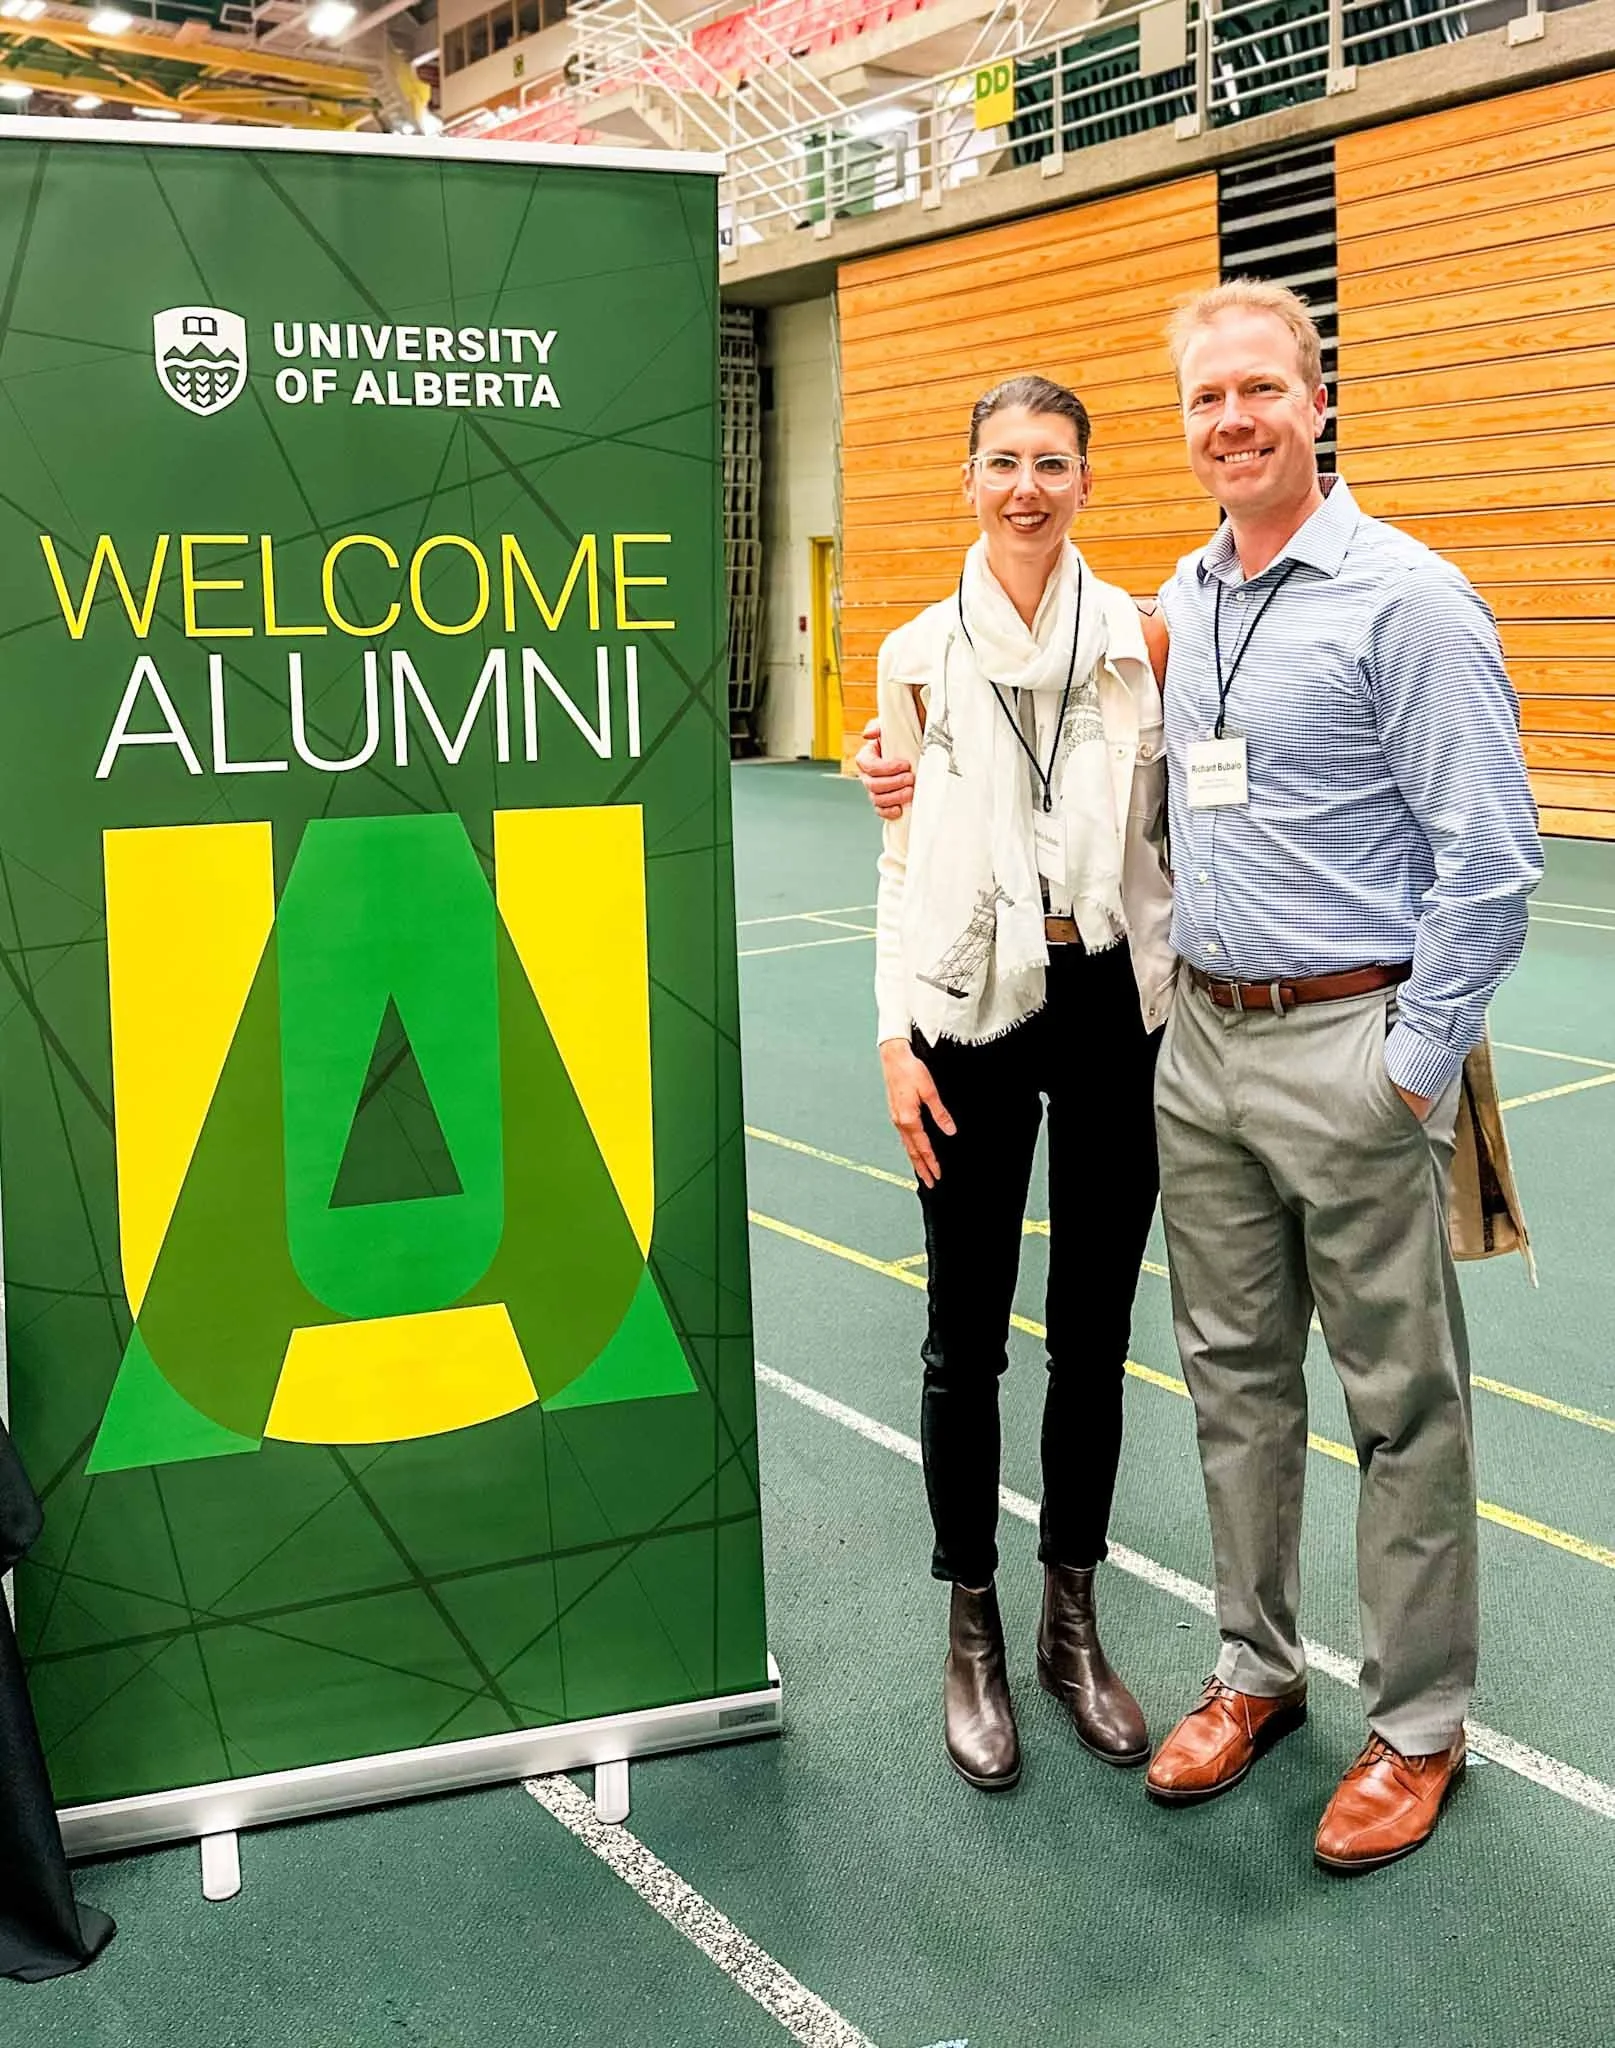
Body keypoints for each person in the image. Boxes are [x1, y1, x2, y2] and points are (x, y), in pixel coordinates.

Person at [856, 281, 1542, 1872]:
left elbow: (1492, 861)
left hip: (1348, 1043)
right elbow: (1020, 792)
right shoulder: (1181, 604)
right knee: (1232, 1387)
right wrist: (897, 785)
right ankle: (1254, 1671)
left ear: (1316, 402)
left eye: (1258, 390)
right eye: (1204, 399)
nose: (1231, 420)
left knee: (1399, 1409)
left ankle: (1415, 1727)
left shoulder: (1403, 600)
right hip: (1197, 1043)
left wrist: (1411, 1065)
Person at [873, 373, 1175, 1793]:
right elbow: (899, 860)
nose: (1026, 488)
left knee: (1094, 1332)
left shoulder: (1139, 640)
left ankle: (1070, 1620)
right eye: (1002, 461)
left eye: (1052, 463)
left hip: (1111, 999)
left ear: (1086, 482)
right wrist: (893, 1037)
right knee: (964, 1339)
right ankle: (974, 1633)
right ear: (969, 478)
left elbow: (1171, 827)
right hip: (967, 1007)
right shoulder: (916, 654)